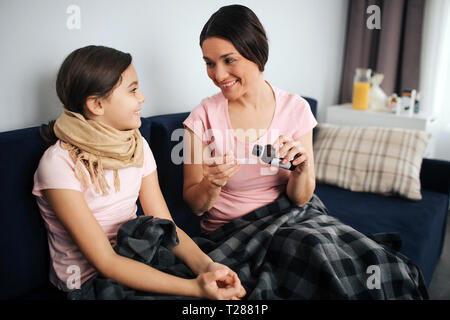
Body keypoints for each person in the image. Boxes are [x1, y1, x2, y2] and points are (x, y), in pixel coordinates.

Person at [32, 45, 245, 300]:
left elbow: (167, 226)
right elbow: (106, 262)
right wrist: (195, 288)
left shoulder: (138, 146)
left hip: (140, 254)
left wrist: (207, 267)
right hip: (92, 282)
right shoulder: (58, 163)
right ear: (97, 104)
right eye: (133, 90)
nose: (142, 97)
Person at [183, 5, 318, 233]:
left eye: (229, 60)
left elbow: (301, 200)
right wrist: (212, 183)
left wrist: (301, 171)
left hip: (288, 221)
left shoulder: (296, 109)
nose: (218, 75)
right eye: (210, 63)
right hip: (232, 232)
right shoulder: (201, 117)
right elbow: (194, 206)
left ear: (256, 52)